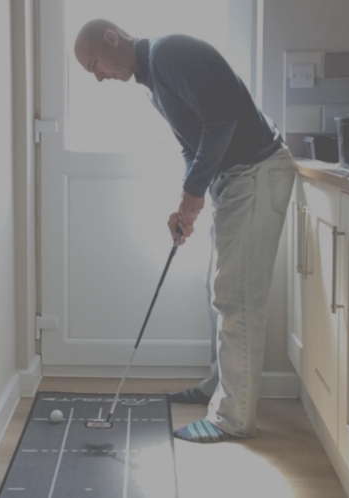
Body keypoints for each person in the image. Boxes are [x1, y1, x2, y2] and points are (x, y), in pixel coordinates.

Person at [74, 19, 296, 444]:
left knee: (237, 297)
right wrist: (187, 204)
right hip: (233, 180)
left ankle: (232, 418)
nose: (99, 76)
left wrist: (193, 194)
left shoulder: (168, 52)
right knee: (218, 290)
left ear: (111, 38)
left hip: (255, 171)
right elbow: (191, 144)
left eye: (94, 65)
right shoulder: (155, 81)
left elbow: (223, 118)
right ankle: (218, 387)